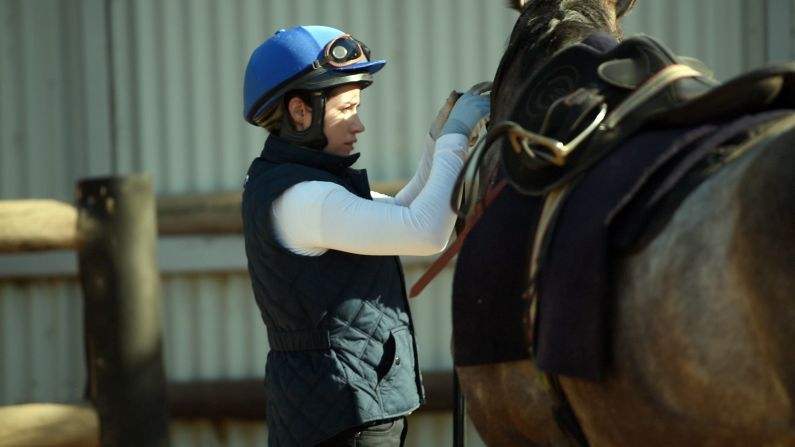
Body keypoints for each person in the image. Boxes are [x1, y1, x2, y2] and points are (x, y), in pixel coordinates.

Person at [241, 25, 490, 447]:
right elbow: (425, 231)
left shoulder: (301, 185)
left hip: (342, 410)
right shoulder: (306, 198)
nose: (359, 124)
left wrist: (438, 140)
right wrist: (454, 140)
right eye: (346, 109)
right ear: (301, 111)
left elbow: (404, 210)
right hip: (344, 416)